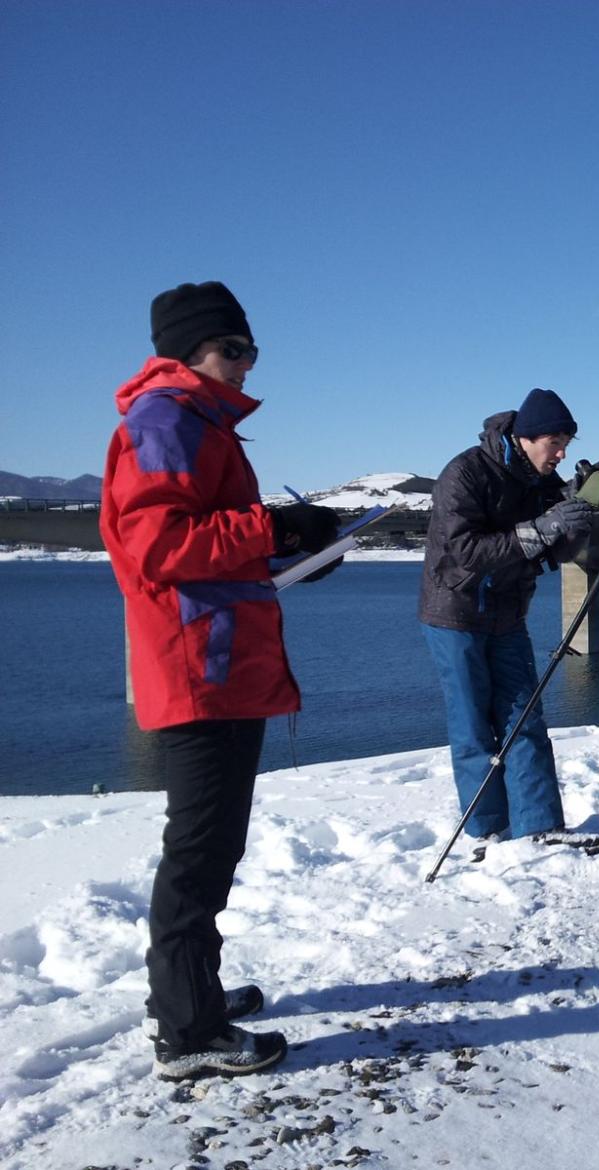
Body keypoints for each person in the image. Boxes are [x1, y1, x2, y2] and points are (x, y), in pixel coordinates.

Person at [100, 281, 341, 1080]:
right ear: (187, 351)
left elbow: (213, 549)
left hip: (220, 664)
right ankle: (185, 1029)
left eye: (250, 351)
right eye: (231, 350)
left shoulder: (199, 423)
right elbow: (158, 544)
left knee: (213, 846)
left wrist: (289, 557)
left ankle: (190, 991)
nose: (244, 365)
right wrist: (270, 528)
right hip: (198, 669)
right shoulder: (165, 419)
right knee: (199, 850)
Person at [419, 389, 599, 856]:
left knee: (526, 718)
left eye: (567, 445)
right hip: (455, 615)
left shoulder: (541, 481)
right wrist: (541, 529)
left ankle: (538, 825)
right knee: (473, 726)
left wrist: (573, 527)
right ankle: (486, 831)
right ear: (525, 438)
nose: (561, 455)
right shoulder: (464, 473)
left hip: (507, 615)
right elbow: (466, 554)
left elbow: (552, 553)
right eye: (555, 444)